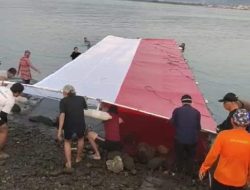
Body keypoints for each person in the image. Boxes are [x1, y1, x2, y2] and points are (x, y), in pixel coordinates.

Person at [199, 109, 250, 190]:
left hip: (221, 178)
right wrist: (248, 180)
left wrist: (204, 168)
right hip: (239, 181)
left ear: (232, 120)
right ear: (247, 124)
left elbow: (212, 155)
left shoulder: (223, 135)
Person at [170, 94, 201, 179]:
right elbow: (198, 127)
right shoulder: (197, 112)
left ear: (182, 102)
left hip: (180, 139)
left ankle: (178, 171)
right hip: (192, 140)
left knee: (178, 155)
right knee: (191, 157)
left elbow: (172, 123)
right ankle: (189, 174)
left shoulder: (177, 110)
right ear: (191, 102)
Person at [57, 85, 87, 171]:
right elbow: (85, 107)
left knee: (67, 141)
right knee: (80, 139)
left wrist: (59, 131)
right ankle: (78, 158)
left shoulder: (63, 101)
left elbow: (62, 115)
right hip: (80, 123)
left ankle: (69, 163)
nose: (62, 94)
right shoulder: (81, 98)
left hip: (69, 124)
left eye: (63, 92)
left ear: (66, 93)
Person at [0, 83, 24, 159]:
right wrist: (5, 124)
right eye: (20, 93)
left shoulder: (2, 88)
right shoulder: (10, 100)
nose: (20, 94)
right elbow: (3, 115)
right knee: (4, 130)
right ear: (17, 92)